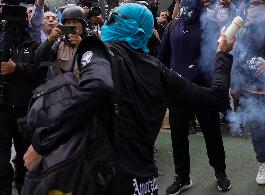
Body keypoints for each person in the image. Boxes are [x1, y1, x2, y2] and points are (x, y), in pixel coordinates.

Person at [23, 3, 235, 195]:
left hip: (106, 180)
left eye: (114, 19)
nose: (108, 23)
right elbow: (217, 98)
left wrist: (44, 143)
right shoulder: (158, 70)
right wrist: (222, 55)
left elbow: (97, 86)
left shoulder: (100, 53)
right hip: (145, 184)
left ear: (131, 26)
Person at [158, 0, 231, 193]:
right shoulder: (173, 26)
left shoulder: (211, 25)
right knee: (178, 137)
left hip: (203, 90)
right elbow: (163, 57)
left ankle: (220, 173)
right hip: (177, 92)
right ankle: (182, 177)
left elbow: (217, 55)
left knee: (212, 133)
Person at [231, 0, 265, 185]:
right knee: (257, 128)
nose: (252, 7)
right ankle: (262, 162)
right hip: (250, 89)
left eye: (257, 3)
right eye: (251, 4)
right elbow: (237, 59)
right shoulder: (244, 30)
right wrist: (234, 84)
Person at [0, 5, 44, 194]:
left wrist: (15, 69)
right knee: (1, 162)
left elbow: (40, 71)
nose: (12, 27)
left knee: (25, 159)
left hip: (24, 111)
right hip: (1, 109)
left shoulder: (33, 44)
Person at [35, 5, 87, 76]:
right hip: (64, 85)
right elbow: (39, 60)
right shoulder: (59, 45)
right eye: (68, 23)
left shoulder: (92, 41)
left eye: (75, 22)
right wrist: (49, 40)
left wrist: (83, 45)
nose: (71, 25)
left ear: (83, 25)